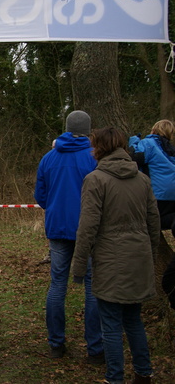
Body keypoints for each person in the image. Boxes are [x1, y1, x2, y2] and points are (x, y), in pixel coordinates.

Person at [73, 127, 159, 384]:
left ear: (99, 148)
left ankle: (115, 378)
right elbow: (153, 221)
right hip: (138, 258)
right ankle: (144, 373)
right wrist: (149, 255)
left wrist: (78, 266)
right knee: (133, 320)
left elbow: (87, 226)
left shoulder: (96, 179)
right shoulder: (142, 178)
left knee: (110, 324)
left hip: (111, 260)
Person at [34, 110, 104, 362]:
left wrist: (54, 207)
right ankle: (95, 349)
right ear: (88, 130)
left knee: (57, 285)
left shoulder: (48, 158)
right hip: (89, 229)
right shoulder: (95, 157)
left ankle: (56, 344)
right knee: (92, 286)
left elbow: (40, 196)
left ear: (65, 127)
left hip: (58, 228)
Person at [128, 119, 175, 235]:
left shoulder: (149, 143)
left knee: (151, 222)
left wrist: (133, 142)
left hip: (156, 194)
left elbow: (135, 158)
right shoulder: (171, 149)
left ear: (154, 129)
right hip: (172, 197)